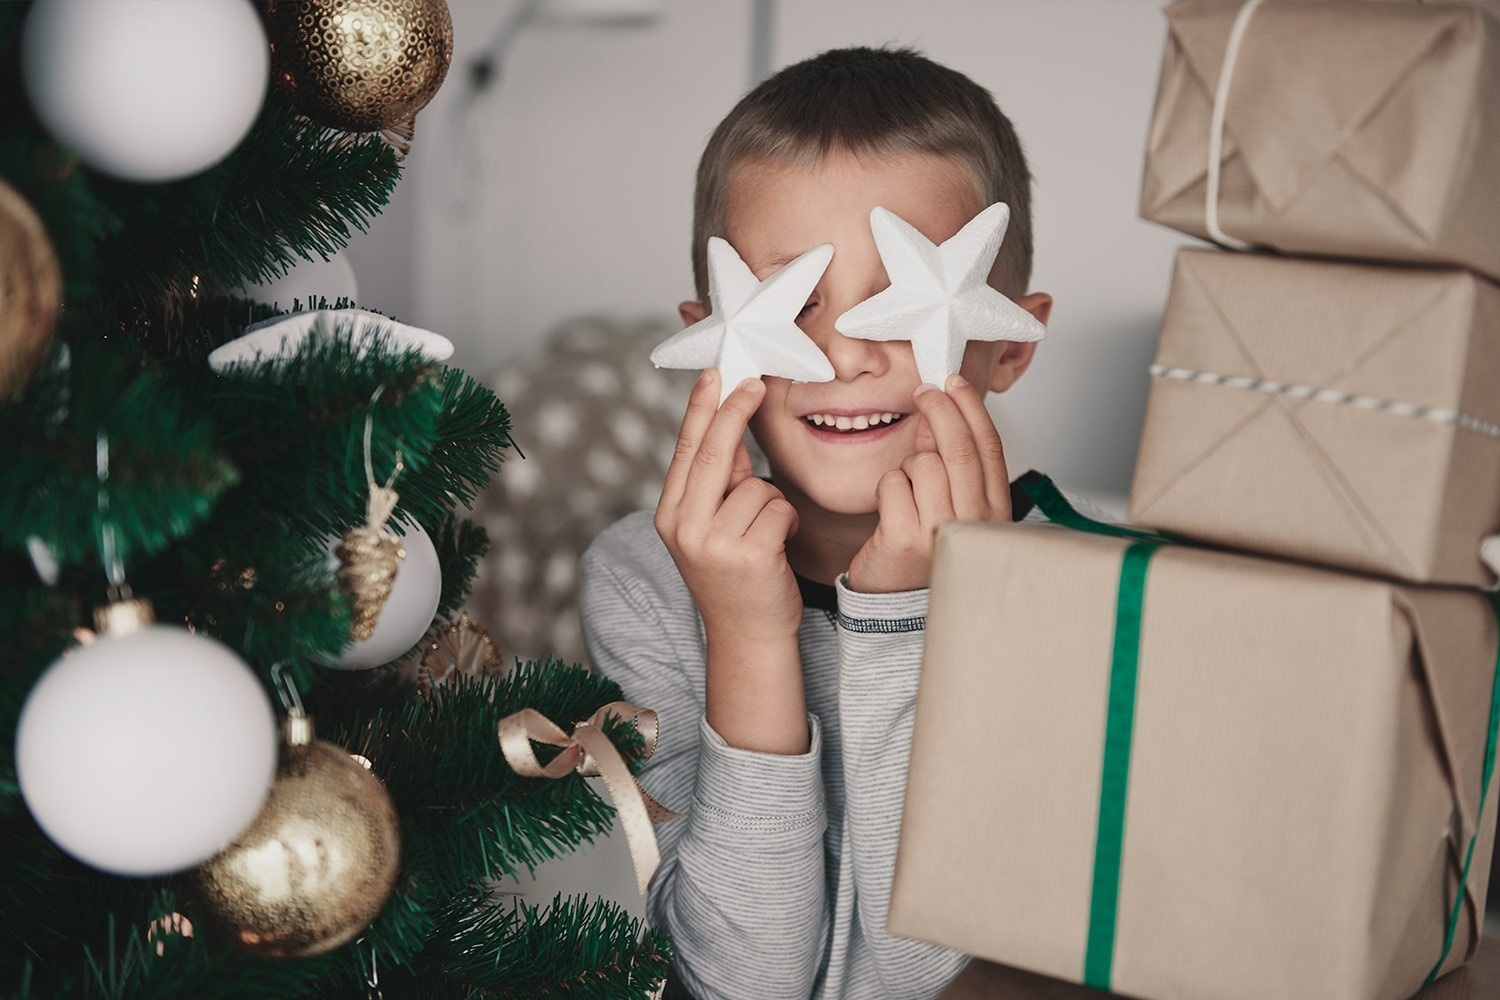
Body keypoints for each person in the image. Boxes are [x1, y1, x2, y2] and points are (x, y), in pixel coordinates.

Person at [580, 46, 1089, 999]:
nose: (847, 354)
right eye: (794, 302)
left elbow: (929, 974)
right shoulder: (644, 583)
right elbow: (740, 984)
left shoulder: (1088, 585)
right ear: (714, 335)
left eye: (904, 298)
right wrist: (745, 636)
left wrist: (915, 620)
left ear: (1008, 341)